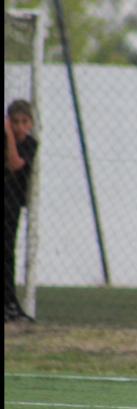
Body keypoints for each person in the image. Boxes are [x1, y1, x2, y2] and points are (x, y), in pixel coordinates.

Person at [4, 99, 38, 323]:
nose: (19, 127)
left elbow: (15, 164)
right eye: (14, 122)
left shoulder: (29, 144)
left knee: (8, 252)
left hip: (12, 204)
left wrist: (8, 137)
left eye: (24, 122)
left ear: (31, 124)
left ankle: (10, 303)